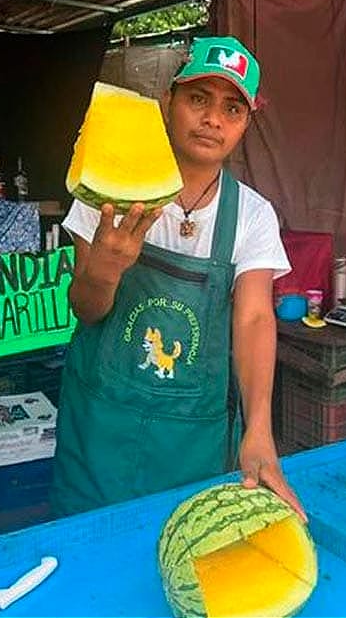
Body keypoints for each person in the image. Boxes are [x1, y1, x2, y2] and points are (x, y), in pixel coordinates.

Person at [51, 36, 305, 522]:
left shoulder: (252, 216)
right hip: (100, 425)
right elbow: (84, 308)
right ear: (168, 102)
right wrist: (104, 270)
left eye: (232, 108)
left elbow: (253, 319)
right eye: (198, 99)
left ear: (246, 124)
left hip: (192, 441)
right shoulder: (106, 191)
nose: (213, 118)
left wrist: (259, 429)